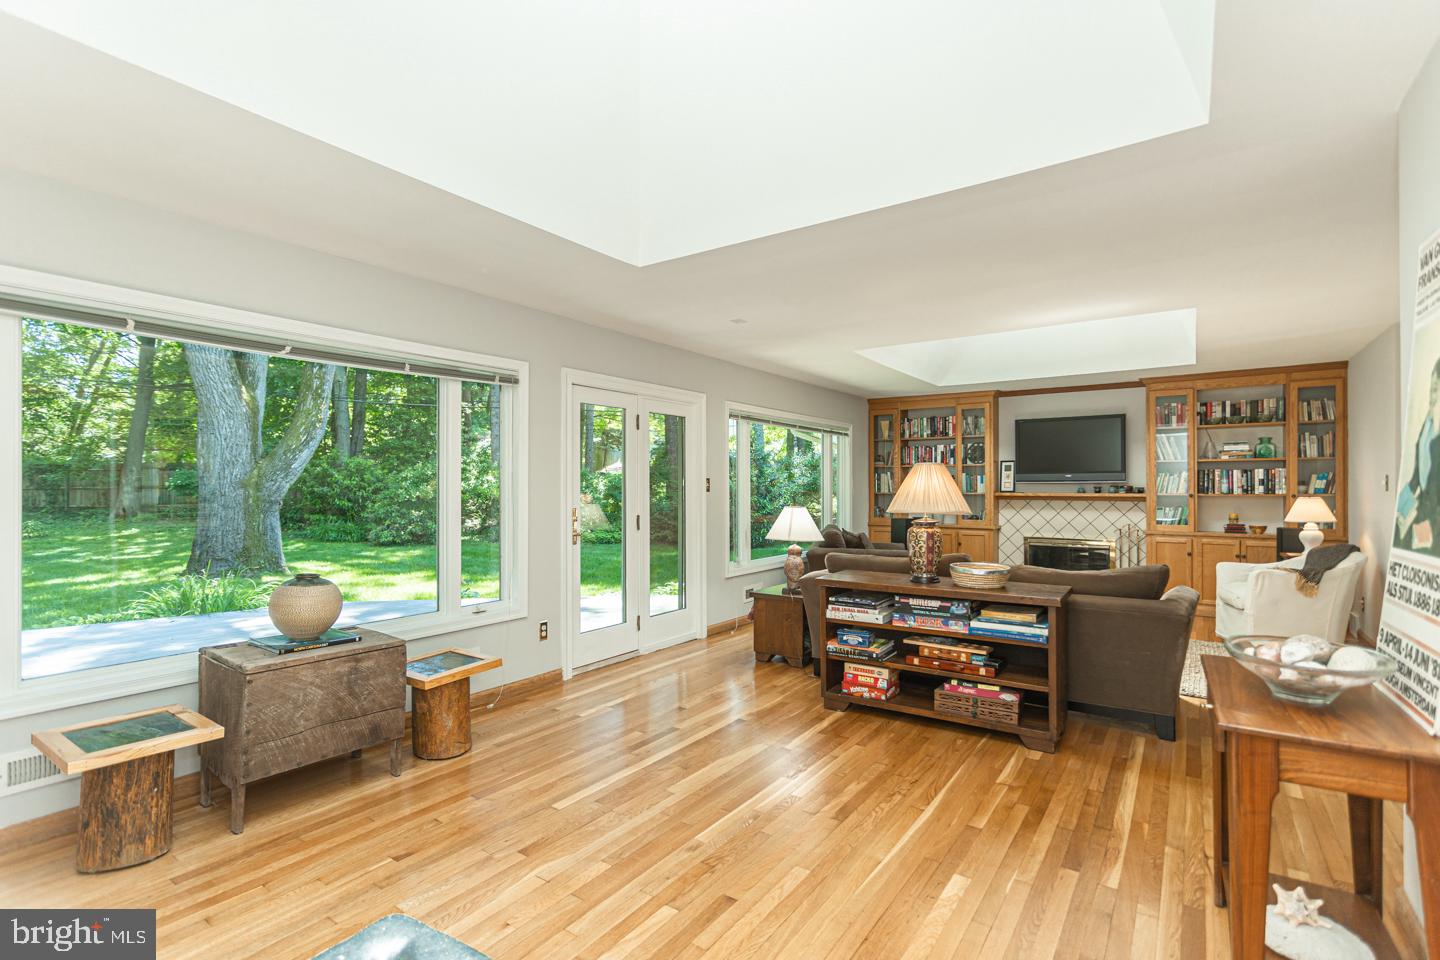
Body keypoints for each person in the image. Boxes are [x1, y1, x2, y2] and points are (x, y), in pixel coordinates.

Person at [1398, 354, 1440, 557]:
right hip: (1424, 510)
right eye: (1431, 389)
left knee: (1418, 553)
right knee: (1403, 547)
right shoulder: (1427, 426)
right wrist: (1400, 508)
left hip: (1433, 518)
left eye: (1435, 389)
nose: (1431, 397)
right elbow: (1416, 478)